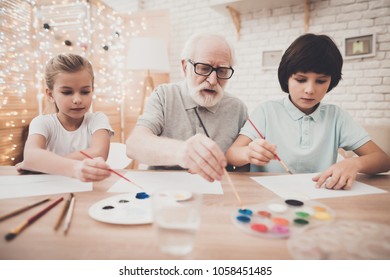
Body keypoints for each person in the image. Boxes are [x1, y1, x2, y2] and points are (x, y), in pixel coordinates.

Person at [226, 33, 390, 190]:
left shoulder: (336, 117)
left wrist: (354, 163)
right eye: (301, 79)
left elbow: (383, 160)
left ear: (331, 81)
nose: (310, 90)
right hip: (266, 198)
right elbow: (232, 154)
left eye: (321, 81)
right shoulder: (266, 111)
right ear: (286, 78)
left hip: (320, 198)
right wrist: (248, 153)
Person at [126, 33, 248, 182]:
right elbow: (134, 145)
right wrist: (181, 151)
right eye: (204, 68)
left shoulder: (237, 108)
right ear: (185, 67)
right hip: (164, 193)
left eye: (222, 71)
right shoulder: (164, 95)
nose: (212, 80)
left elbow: (243, 168)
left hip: (218, 196)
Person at [16, 53, 114, 182]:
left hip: (89, 188)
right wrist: (35, 161)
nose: (78, 100)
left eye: (85, 92)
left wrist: (42, 164)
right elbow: (31, 155)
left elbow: (99, 152)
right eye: (67, 92)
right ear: (50, 94)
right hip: (50, 186)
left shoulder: (98, 119)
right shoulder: (42, 122)